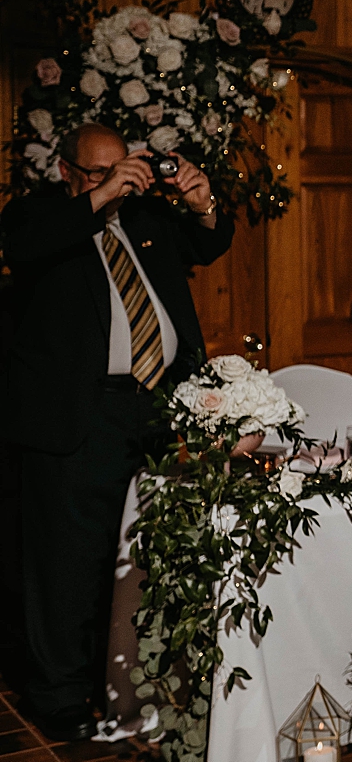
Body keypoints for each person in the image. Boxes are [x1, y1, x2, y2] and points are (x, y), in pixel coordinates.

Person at [0, 123, 232, 742]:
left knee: (150, 554)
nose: (114, 182)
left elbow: (207, 245)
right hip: (79, 412)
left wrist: (202, 201)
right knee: (69, 563)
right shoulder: (42, 218)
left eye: (119, 169)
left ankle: (140, 688)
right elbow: (20, 246)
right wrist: (98, 200)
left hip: (154, 405)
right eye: (98, 173)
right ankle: (59, 700)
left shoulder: (145, 221)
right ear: (68, 174)